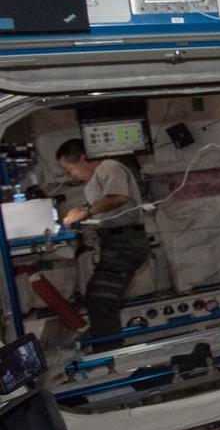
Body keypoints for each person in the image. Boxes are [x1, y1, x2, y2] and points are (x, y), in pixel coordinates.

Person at [55, 139, 149, 349]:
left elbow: (118, 198)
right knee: (98, 297)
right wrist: (81, 213)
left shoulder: (109, 167)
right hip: (117, 243)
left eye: (70, 169)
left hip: (125, 243)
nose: (72, 175)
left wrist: (86, 212)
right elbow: (104, 204)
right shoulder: (97, 179)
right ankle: (107, 347)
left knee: (101, 300)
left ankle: (109, 354)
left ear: (82, 157)